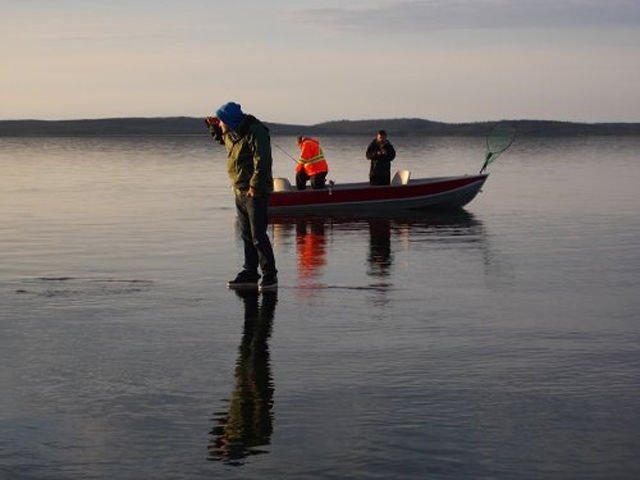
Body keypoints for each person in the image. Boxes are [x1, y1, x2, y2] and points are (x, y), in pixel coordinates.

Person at [205, 102, 278, 292]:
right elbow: (223, 140)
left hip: (255, 192)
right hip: (239, 191)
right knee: (246, 235)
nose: (220, 124)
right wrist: (213, 127)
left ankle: (270, 276)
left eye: (221, 121)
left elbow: (263, 160)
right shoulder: (233, 133)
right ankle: (250, 273)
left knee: (258, 235)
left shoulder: (256, 131)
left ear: (230, 119)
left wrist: (255, 185)